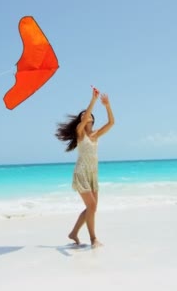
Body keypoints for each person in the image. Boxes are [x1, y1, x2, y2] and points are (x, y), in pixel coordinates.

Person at [55, 87, 114, 248]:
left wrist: (107, 105)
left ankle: (74, 233)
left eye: (87, 116)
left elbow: (111, 123)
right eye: (82, 116)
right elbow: (85, 117)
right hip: (81, 172)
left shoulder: (96, 135)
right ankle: (93, 239)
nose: (84, 117)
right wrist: (93, 100)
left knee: (92, 208)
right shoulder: (80, 132)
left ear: (92, 120)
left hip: (93, 174)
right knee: (92, 206)